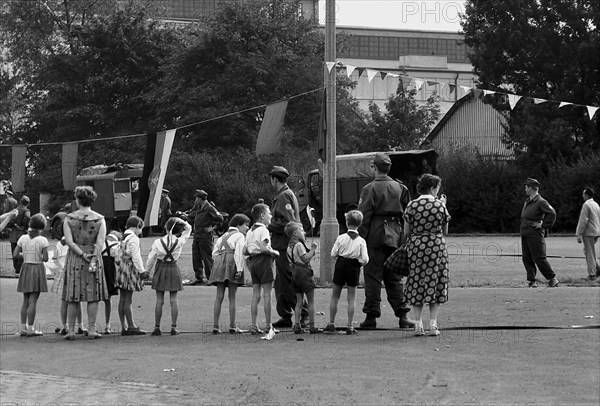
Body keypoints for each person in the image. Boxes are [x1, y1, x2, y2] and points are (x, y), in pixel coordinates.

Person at [357, 153, 414, 329]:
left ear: (374, 167)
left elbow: (364, 216)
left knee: (372, 277)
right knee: (394, 277)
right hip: (395, 234)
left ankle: (371, 317)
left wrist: (360, 238)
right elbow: (408, 214)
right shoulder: (401, 188)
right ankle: (403, 315)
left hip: (375, 234)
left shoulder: (369, 188)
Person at [403, 174, 451, 336]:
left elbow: (406, 231)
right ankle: (433, 324)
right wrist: (443, 205)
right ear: (432, 188)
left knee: (417, 281)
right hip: (437, 246)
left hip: (417, 247)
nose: (438, 191)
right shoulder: (440, 205)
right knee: (436, 281)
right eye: (437, 188)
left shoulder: (412, 205)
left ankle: (418, 323)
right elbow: (445, 231)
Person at [62, 186, 109, 340]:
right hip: (93, 257)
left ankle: (71, 331)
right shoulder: (100, 219)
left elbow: (69, 241)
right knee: (93, 296)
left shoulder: (69, 218)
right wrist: (93, 258)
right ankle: (92, 329)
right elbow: (100, 242)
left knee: (72, 296)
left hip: (75, 259)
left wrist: (82, 254)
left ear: (77, 199)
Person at [267, 166, 309, 329]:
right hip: (282, 244)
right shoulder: (283, 194)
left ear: (274, 179)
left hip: (286, 244)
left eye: (271, 179)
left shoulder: (284, 196)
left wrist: (269, 225)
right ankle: (285, 314)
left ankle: (303, 312)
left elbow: (287, 223)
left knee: (289, 281)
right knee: (281, 282)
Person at [325, 210, 369, 335]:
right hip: (354, 267)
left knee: (335, 295)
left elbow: (333, 254)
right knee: (351, 298)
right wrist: (358, 262)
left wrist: (339, 257)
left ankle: (332, 323)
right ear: (359, 224)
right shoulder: (361, 241)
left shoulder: (341, 238)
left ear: (347, 222)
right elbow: (365, 259)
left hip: (341, 264)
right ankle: (350, 326)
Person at [147, 217, 192, 336]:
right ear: (178, 230)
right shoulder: (179, 241)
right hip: (173, 268)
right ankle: (173, 327)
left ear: (166, 228)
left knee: (159, 300)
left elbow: (151, 258)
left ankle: (157, 327)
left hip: (161, 268)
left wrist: (147, 271)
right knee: (173, 300)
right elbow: (189, 229)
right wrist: (181, 221)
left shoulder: (157, 242)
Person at [209, 214, 250, 334]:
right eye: (246, 225)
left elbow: (214, 253)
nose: (247, 228)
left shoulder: (223, 236)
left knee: (219, 297)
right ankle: (233, 325)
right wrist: (240, 268)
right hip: (232, 262)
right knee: (232, 297)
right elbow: (239, 252)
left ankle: (216, 326)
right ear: (238, 225)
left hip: (220, 262)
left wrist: (219, 262)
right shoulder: (239, 236)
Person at [245, 203, 279, 340]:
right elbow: (265, 248)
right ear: (263, 215)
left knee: (255, 295)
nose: (271, 216)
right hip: (264, 261)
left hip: (253, 261)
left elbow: (245, 250)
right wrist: (275, 252)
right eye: (269, 213)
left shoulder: (249, 231)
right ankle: (268, 325)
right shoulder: (263, 230)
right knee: (267, 294)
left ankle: (254, 324)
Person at [14, 213, 49, 337]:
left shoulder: (23, 238)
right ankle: (31, 328)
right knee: (33, 300)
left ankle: (23, 328)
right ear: (42, 227)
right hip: (37, 268)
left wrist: (25, 255)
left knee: (25, 300)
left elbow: (15, 254)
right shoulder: (43, 240)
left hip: (26, 267)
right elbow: (45, 258)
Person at [521, 178, 559, 288]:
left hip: (535, 234)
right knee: (526, 258)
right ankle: (532, 281)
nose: (525, 189)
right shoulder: (528, 201)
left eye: (526, 187)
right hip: (526, 233)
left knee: (539, 258)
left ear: (531, 188)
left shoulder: (541, 201)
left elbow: (552, 213)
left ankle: (552, 278)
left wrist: (543, 225)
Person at [115, 215, 150, 335]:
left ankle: (123, 326)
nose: (141, 231)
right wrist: (142, 271)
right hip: (130, 267)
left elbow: (117, 253)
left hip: (122, 267)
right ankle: (131, 326)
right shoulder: (134, 238)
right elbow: (136, 256)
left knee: (122, 298)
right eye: (140, 228)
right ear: (137, 226)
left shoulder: (123, 237)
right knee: (128, 299)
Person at [285, 222, 320, 334]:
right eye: (301, 230)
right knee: (311, 301)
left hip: (294, 273)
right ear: (295, 233)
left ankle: (297, 325)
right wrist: (313, 250)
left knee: (299, 302)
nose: (304, 232)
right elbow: (305, 259)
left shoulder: (288, 247)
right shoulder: (299, 245)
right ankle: (312, 326)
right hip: (304, 273)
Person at [49, 237, 86, 336]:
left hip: (64, 271)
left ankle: (65, 326)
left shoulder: (59, 244)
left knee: (65, 300)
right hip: (74, 271)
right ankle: (80, 325)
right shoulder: (76, 242)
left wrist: (61, 268)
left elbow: (54, 258)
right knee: (77, 300)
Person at [190, 189, 223, 285]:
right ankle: (199, 278)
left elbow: (220, 219)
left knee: (207, 258)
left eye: (196, 197)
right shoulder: (199, 207)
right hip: (197, 236)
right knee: (196, 258)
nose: (195, 199)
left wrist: (212, 228)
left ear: (200, 198)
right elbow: (192, 216)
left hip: (205, 237)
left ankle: (211, 278)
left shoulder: (209, 208)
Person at [576, 187, 600, 280]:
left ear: (586, 195)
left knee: (589, 252)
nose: (582, 196)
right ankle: (598, 269)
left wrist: (579, 234)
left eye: (583, 194)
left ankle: (592, 274)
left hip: (589, 232)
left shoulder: (586, 205)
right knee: (589, 251)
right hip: (596, 231)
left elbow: (583, 220)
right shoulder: (596, 204)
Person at [101, 225, 121, 334]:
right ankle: (107, 325)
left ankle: (91, 325)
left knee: (93, 299)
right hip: (109, 271)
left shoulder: (100, 243)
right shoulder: (115, 245)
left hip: (99, 269)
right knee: (108, 299)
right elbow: (118, 261)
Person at [8, 196, 31, 274]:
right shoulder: (26, 211)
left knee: (14, 251)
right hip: (21, 234)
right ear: (28, 203)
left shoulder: (14, 211)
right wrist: (25, 226)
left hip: (13, 234)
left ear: (20, 201)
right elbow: (28, 218)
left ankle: (16, 268)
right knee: (21, 251)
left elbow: (9, 221)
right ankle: (19, 269)